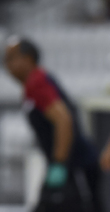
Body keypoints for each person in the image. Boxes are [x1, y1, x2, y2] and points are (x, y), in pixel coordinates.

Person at [4, 37, 103, 212]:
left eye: (11, 58)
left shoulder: (37, 82)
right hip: (67, 166)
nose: (6, 65)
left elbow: (63, 120)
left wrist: (59, 164)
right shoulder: (33, 84)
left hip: (75, 166)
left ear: (27, 58)